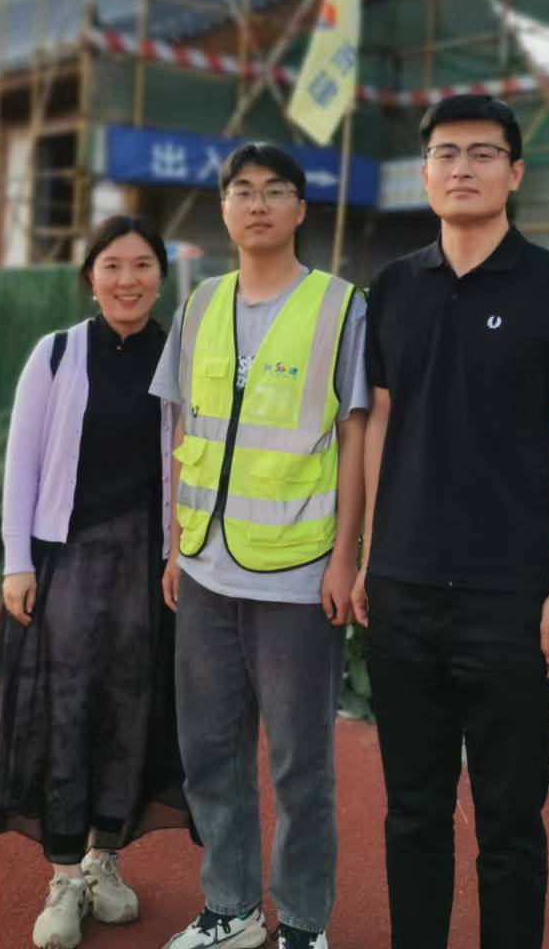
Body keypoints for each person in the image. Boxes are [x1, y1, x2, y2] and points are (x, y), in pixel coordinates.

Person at [351, 94, 549, 949]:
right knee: (413, 812)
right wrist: (368, 556)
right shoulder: (393, 288)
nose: (461, 167)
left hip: (511, 600)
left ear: (514, 173)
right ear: (425, 173)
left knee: (510, 824)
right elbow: (379, 424)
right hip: (402, 592)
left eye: (481, 152)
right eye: (445, 153)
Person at [0, 215, 191, 949]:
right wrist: (16, 561)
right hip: (66, 563)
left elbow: (191, 463)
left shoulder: (179, 358)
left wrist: (180, 552)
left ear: (161, 276)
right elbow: (21, 462)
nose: (128, 280)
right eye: (112, 266)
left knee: (130, 713)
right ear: (90, 277)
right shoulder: (56, 354)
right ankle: (62, 878)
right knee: (64, 714)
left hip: (148, 569)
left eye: (142, 265)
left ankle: (103, 860)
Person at [150, 143, 369, 949]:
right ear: (224, 208)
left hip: (299, 574)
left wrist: (347, 558)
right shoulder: (201, 303)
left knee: (300, 764)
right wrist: (175, 546)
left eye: (276, 192)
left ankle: (304, 924)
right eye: (242, 191)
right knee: (211, 752)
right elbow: (180, 428)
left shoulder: (341, 307)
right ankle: (231, 910)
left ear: (300, 210)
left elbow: (356, 436)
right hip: (205, 569)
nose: (258, 204)